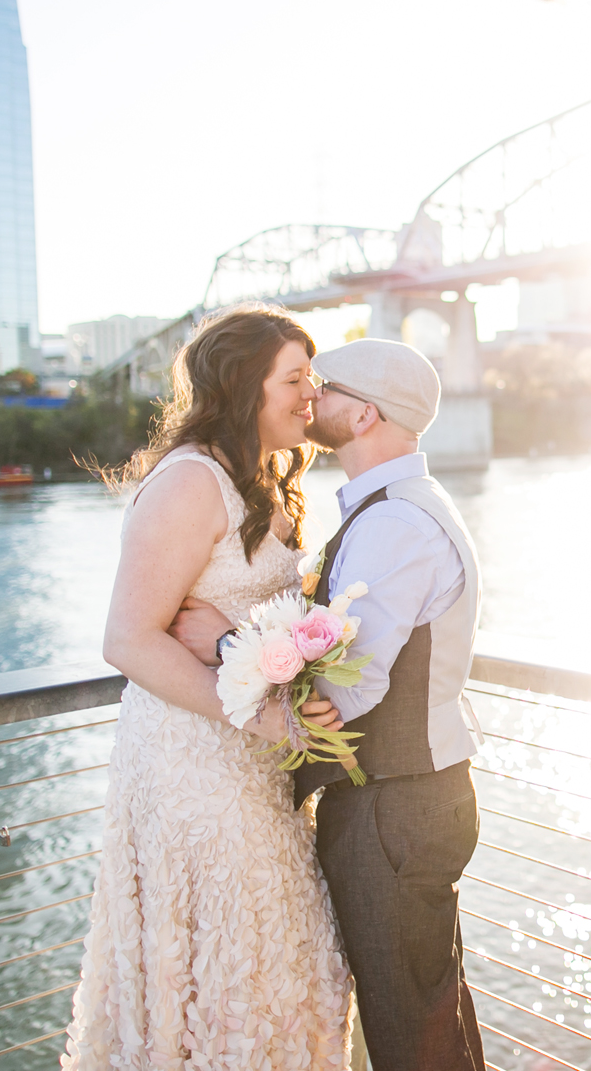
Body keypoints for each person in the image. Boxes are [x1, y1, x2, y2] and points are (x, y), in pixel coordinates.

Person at [172, 337, 487, 1071]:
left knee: (406, 1027)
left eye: (327, 387)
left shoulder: (393, 525)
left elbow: (344, 691)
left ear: (364, 413)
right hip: (408, 798)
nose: (312, 397)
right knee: (428, 1005)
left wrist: (226, 644)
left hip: (392, 808)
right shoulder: (400, 507)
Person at [63, 304, 354, 1070]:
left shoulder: (261, 475)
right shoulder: (192, 482)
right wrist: (262, 717)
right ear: (240, 385)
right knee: (225, 972)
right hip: (194, 769)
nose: (310, 395)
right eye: (293, 378)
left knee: (283, 966)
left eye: (313, 377)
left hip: (259, 772)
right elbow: (127, 637)